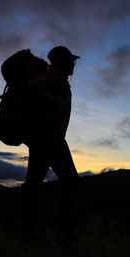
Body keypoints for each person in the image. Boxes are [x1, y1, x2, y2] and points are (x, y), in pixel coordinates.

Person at [21, 46, 80, 245]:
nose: (73, 63)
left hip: (42, 138)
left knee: (33, 185)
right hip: (50, 139)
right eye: (71, 60)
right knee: (71, 182)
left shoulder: (56, 77)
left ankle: (28, 232)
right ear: (63, 61)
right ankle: (62, 234)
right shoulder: (55, 76)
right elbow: (33, 84)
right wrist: (57, 103)